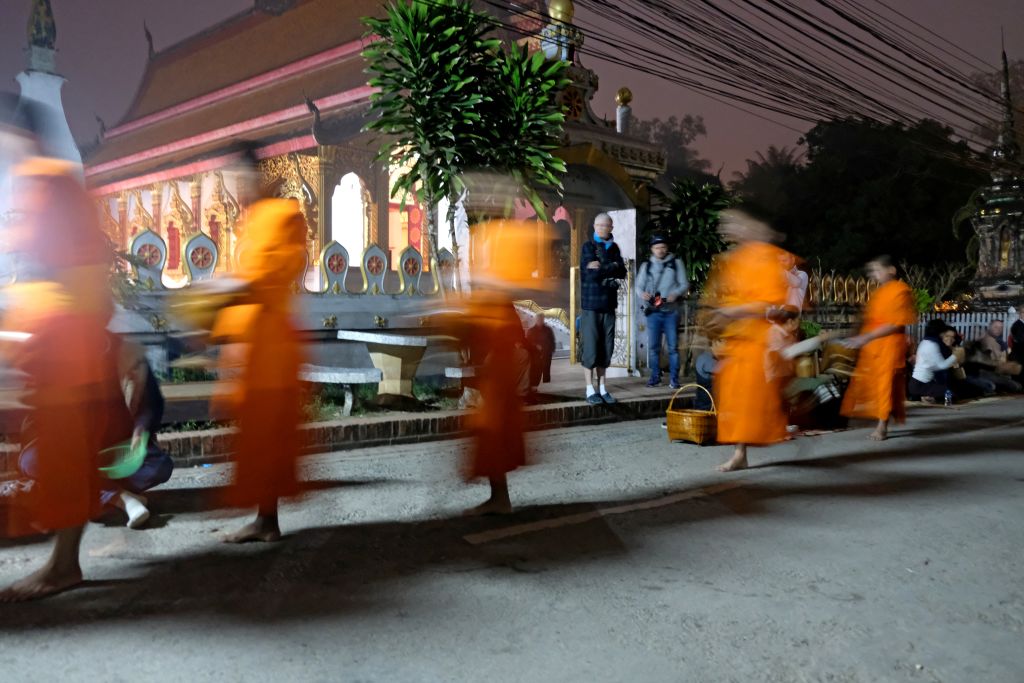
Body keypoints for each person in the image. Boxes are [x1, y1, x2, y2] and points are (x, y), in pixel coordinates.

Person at [0, 156, 123, 601]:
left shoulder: (50, 182)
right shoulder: (48, 181)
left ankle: (64, 565)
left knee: (65, 460)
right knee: (63, 459)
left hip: (66, 348)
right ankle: (62, 560)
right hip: (63, 347)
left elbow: (78, 273)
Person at [209, 197, 308, 543]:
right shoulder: (255, 221)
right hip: (256, 347)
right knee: (259, 441)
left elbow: (284, 265)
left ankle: (267, 520)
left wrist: (233, 289)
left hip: (271, 351)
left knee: (268, 440)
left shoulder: (283, 216)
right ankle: (265, 519)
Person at [701, 208, 792, 472]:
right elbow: (724, 297)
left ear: (749, 225)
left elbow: (770, 303)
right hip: (736, 340)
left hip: (758, 341)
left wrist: (732, 311)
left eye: (732, 223)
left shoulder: (765, 257)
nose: (726, 229)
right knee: (734, 399)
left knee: (753, 401)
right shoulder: (734, 259)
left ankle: (750, 444)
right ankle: (740, 453)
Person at [840, 256, 916, 441]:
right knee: (872, 385)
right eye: (871, 271)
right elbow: (870, 319)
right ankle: (875, 420)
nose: (873, 275)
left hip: (889, 345)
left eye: (877, 270)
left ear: (891, 270)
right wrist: (859, 334)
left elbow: (894, 324)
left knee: (885, 386)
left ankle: (882, 427)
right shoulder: (879, 292)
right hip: (874, 346)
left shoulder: (901, 290)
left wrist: (865, 337)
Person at [579, 213, 626, 404]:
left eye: (605, 225)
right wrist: (611, 267)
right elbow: (589, 274)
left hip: (608, 305)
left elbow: (623, 272)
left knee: (606, 348)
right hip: (591, 305)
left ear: (611, 228)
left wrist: (604, 268)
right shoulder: (588, 247)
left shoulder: (614, 248)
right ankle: (590, 389)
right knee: (590, 347)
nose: (600, 228)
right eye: (598, 225)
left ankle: (603, 388)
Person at [636, 234, 689, 388]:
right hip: (653, 311)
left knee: (673, 347)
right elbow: (638, 286)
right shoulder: (646, 266)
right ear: (652, 249)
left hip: (671, 311)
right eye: (657, 247)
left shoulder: (676, 263)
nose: (660, 250)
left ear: (667, 248)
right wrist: (642, 294)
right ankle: (655, 377)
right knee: (653, 347)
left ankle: (674, 379)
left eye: (663, 247)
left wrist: (675, 293)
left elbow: (684, 284)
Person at [908, 320, 961, 403]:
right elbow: (941, 366)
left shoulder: (925, 342)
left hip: (918, 383)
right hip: (921, 384)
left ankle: (925, 397)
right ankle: (928, 398)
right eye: (944, 333)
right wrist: (956, 356)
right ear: (940, 332)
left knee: (948, 391)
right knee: (950, 396)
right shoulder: (932, 345)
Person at [970, 320, 1022, 393]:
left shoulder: (999, 341)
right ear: (989, 328)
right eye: (996, 327)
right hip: (984, 372)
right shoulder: (986, 341)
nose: (998, 330)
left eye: (1001, 328)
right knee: (1014, 386)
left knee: (1015, 385)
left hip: (995, 372)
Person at [526, 312, 556, 398]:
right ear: (536, 320)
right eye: (538, 319)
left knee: (546, 368)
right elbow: (528, 342)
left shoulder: (548, 330)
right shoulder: (531, 330)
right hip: (535, 355)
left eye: (541, 319)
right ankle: (534, 387)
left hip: (546, 353)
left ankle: (545, 384)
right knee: (536, 370)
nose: (540, 321)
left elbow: (552, 340)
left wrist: (551, 350)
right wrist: (535, 346)